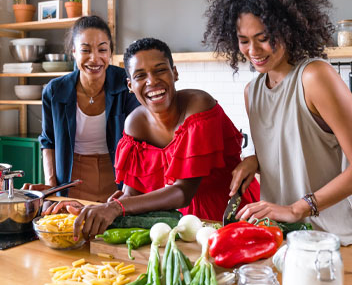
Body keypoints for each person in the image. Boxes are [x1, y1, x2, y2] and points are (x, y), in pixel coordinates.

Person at [202, 0, 352, 245]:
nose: (253, 50)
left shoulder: (314, 77)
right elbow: (292, 148)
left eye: (263, 37)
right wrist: (255, 161)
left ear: (287, 28)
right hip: (284, 237)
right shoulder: (253, 92)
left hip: (336, 239)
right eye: (243, 40)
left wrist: (297, 208)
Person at [65, 38, 259, 239]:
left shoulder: (199, 106)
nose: (152, 81)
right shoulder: (134, 124)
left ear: (174, 73)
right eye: (140, 75)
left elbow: (183, 192)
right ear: (130, 85)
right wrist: (113, 205)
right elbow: (132, 193)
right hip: (175, 225)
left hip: (232, 215)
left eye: (160, 70)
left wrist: (117, 207)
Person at [23, 15, 140, 203]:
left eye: (102, 49)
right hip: (72, 180)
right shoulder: (54, 91)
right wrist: (53, 187)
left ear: (110, 51)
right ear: (74, 52)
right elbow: (49, 142)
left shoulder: (127, 85)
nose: (95, 59)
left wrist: (132, 191)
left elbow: (140, 141)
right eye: (86, 50)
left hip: (119, 180)